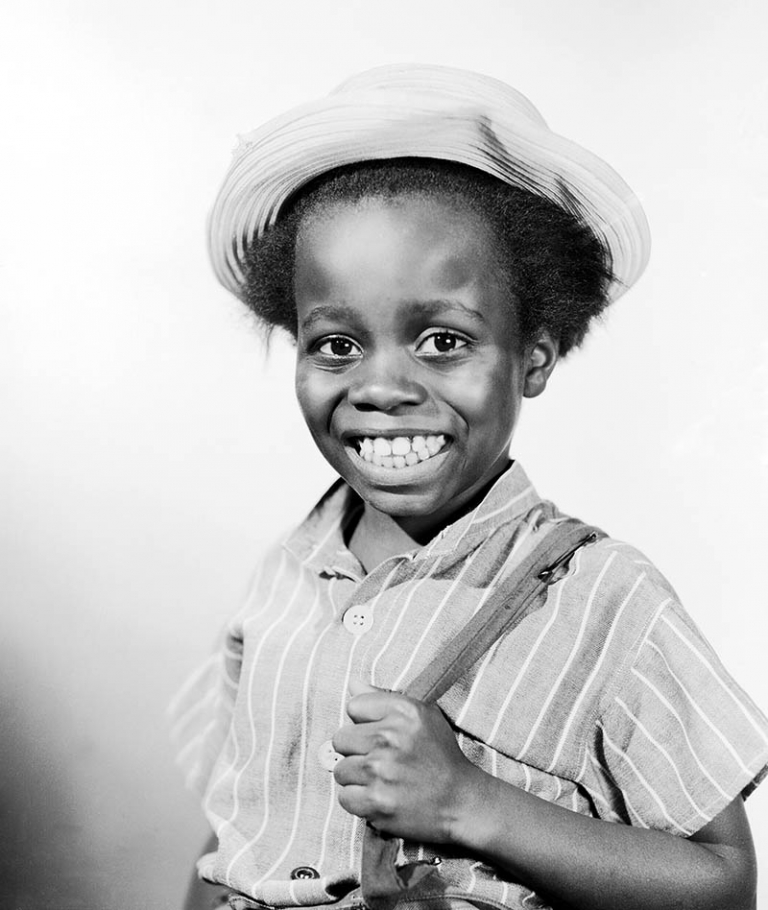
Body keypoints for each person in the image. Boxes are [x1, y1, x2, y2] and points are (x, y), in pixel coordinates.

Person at [170, 64, 768, 910]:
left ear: (534, 356)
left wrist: (469, 802)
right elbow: (238, 834)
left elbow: (724, 886)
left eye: (443, 341)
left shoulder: (605, 598)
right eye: (336, 345)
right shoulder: (283, 580)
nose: (382, 388)